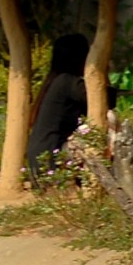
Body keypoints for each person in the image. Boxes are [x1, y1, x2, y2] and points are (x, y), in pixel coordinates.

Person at [27, 34, 89, 182]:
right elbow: (102, 100)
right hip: (50, 162)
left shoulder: (55, 81)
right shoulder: (67, 82)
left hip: (40, 163)